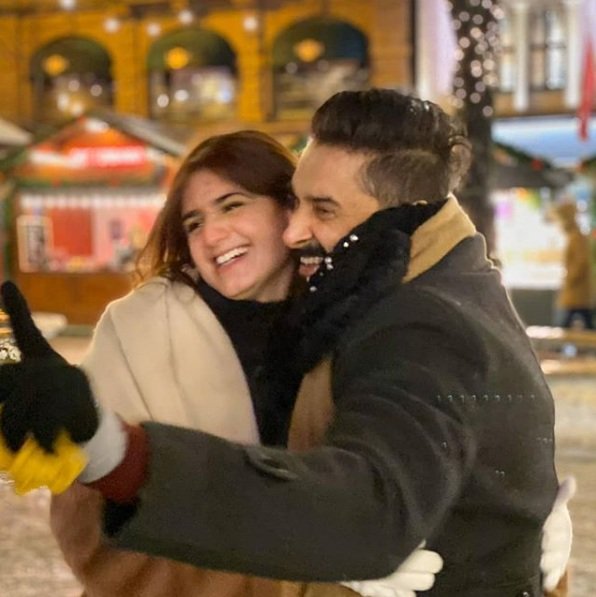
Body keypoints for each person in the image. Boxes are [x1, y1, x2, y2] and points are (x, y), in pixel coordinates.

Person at [0, 91, 571, 596]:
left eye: (233, 205)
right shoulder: (142, 329)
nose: (212, 234)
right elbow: (92, 533)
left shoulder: (372, 312)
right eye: (192, 222)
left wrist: (520, 528)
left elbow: (390, 483)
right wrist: (305, 578)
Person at [553, 201, 593, 329]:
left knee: (563, 327)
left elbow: (581, 262)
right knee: (586, 325)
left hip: (575, 294)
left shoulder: (576, 237)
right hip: (578, 294)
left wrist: (569, 279)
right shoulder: (575, 236)